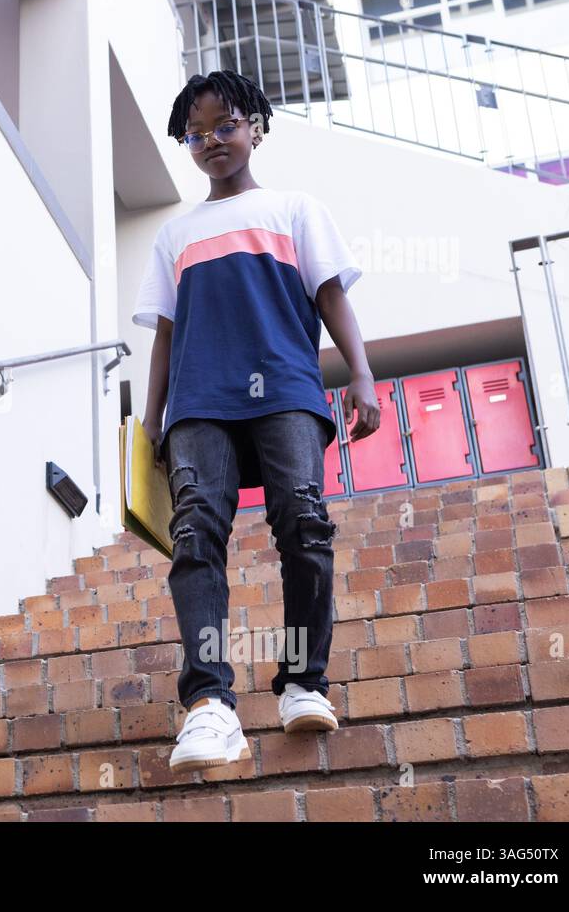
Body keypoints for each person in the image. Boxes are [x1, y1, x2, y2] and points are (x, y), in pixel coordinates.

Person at [131, 70, 381, 774]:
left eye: (226, 124)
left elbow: (331, 297)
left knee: (304, 521)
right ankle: (209, 701)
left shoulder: (296, 208)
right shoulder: (174, 234)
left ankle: (304, 679)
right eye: (196, 131)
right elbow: (164, 336)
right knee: (195, 535)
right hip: (198, 404)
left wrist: (360, 374)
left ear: (256, 128)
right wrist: (149, 422)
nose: (212, 139)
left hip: (288, 392)